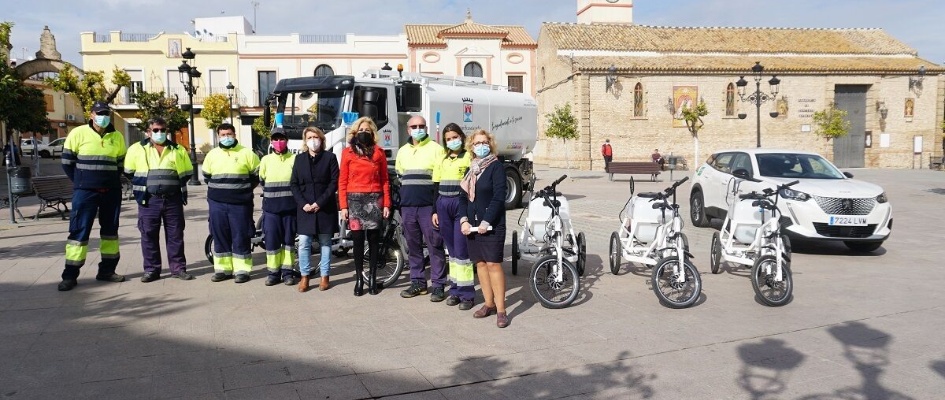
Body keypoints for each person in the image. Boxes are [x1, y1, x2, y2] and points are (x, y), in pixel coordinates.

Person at [57, 101, 127, 291]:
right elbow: (67, 162)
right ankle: (70, 275)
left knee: (110, 233)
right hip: (85, 192)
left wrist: (109, 181)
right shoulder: (78, 133)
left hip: (111, 192)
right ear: (92, 114)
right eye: (100, 113)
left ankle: (107, 270)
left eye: (106, 113)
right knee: (79, 232)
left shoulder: (117, 136)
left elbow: (120, 164)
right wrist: (81, 182)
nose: (104, 117)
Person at [124, 117, 195, 282]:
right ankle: (151, 270)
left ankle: (178, 268)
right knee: (148, 235)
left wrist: (169, 185)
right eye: (156, 130)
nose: (160, 133)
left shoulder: (178, 149)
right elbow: (128, 172)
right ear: (148, 132)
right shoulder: (136, 149)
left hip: (173, 200)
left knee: (176, 235)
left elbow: (187, 173)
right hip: (149, 200)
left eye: (163, 130)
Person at [460, 129, 509, 328]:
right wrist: (464, 220)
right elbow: (462, 198)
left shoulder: (496, 167)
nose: (481, 145)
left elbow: (499, 197)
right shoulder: (470, 170)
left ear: (490, 144)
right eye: (477, 143)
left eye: (484, 142)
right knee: (480, 264)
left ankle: (501, 310)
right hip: (472, 226)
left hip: (492, 225)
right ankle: (488, 304)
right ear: (471, 147)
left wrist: (486, 221)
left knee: (493, 264)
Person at [396, 115, 448, 301]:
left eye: (421, 126)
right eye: (414, 126)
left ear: (426, 128)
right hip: (408, 207)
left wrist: (436, 209)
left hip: (428, 207)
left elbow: (440, 181)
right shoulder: (402, 151)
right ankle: (418, 282)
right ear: (408, 130)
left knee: (435, 245)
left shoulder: (436, 149)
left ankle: (439, 284)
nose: (418, 129)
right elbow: (400, 176)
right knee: (413, 247)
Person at [203, 123, 261, 284]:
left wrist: (243, 190)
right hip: (217, 203)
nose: (226, 137)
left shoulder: (246, 153)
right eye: (223, 135)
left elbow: (257, 175)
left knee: (240, 235)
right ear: (218, 136)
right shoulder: (212, 155)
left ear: (235, 135)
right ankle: (223, 269)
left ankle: (242, 270)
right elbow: (207, 176)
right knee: (219, 234)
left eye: (229, 134)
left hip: (240, 204)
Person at [339, 117, 390, 296]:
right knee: (358, 241)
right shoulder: (347, 153)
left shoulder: (379, 153)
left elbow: (385, 180)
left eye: (368, 131)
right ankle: (359, 279)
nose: (364, 133)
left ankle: (373, 278)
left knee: (374, 240)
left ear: (373, 133)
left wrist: (386, 204)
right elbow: (342, 180)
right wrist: (343, 206)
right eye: (361, 130)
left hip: (374, 198)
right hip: (354, 200)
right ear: (355, 132)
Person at [290, 127, 339, 292]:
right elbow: (294, 184)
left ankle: (325, 276)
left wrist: (319, 203)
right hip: (305, 208)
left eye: (316, 137)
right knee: (304, 242)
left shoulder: (330, 158)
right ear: (305, 140)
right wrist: (303, 203)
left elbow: (334, 182)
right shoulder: (299, 159)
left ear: (322, 140)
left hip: (324, 207)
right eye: (310, 137)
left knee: (325, 242)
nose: (313, 140)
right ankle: (305, 276)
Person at [432, 123, 475, 310]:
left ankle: (467, 295)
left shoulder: (468, 158)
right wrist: (435, 210)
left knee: (461, 251)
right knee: (451, 251)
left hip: (460, 205)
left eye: (455, 137)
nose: (452, 141)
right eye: (448, 139)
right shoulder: (442, 159)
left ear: (461, 137)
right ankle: (455, 290)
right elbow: (435, 186)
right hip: (443, 204)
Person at [259, 128, 298, 287]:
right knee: (272, 243)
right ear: (271, 141)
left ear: (287, 140)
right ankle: (273, 273)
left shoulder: (295, 159)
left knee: (288, 243)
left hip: (290, 210)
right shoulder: (266, 160)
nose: (278, 142)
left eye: (281, 139)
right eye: (275, 139)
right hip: (271, 211)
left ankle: (288, 273)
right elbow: (262, 181)